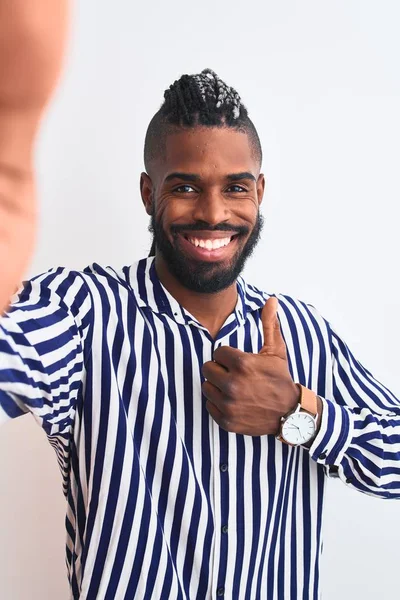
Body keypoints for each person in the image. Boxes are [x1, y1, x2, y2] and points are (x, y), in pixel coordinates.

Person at [1, 5, 400, 600]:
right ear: (146, 193)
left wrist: (300, 412)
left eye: (235, 188)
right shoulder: (80, 313)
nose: (214, 214)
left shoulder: (304, 334)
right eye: (185, 186)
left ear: (259, 192)